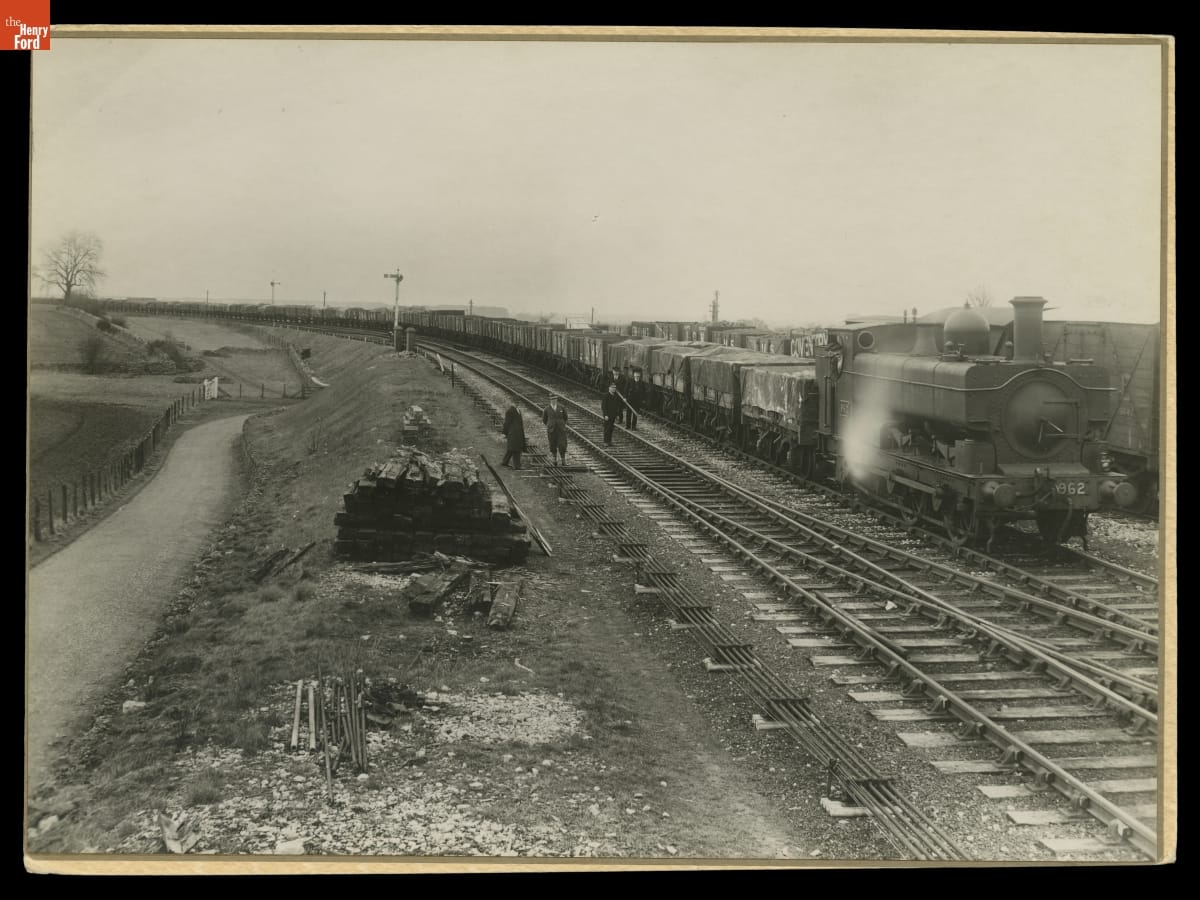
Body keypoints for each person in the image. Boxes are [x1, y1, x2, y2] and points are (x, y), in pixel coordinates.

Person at [542, 395, 569, 466]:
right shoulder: (547, 409)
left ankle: (563, 460)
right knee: (552, 444)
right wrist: (550, 425)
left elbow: (565, 417)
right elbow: (544, 420)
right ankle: (554, 460)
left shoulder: (562, 407)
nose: (554, 401)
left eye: (555, 400)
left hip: (561, 430)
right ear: (550, 400)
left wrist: (561, 424)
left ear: (557, 400)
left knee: (562, 445)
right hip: (551, 430)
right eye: (552, 400)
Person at [501, 404, 526, 470]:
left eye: (518, 402)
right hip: (513, 432)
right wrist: (505, 432)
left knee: (511, 448)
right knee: (516, 448)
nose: (517, 403)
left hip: (518, 432)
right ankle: (517, 466)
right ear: (512, 402)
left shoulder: (518, 410)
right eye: (515, 402)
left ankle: (504, 462)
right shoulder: (510, 411)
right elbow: (507, 422)